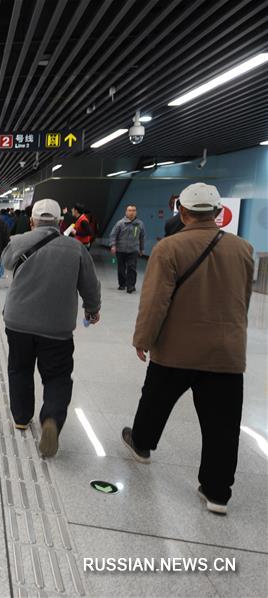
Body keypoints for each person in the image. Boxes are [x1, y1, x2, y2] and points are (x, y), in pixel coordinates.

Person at [121, 183, 253, 515]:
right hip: (225, 353)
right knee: (222, 425)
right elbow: (242, 302)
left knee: (154, 401)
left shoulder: (169, 247)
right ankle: (217, 492)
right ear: (218, 212)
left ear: (182, 212)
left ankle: (141, 444)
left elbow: (154, 302)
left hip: (176, 348)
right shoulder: (243, 248)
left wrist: (143, 339)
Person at [1, 199, 101, 457]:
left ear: (33, 221)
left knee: (19, 368)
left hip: (18, 321)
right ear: (60, 223)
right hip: (57, 326)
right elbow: (90, 284)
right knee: (57, 376)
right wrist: (92, 308)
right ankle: (52, 419)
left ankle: (22, 418)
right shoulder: (75, 248)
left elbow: (7, 264)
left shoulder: (18, 241)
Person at [109, 204, 145, 293]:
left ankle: (131, 286)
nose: (131, 212)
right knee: (121, 268)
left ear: (136, 212)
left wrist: (141, 248)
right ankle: (122, 284)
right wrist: (113, 245)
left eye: (133, 210)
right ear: (126, 212)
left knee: (132, 267)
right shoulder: (120, 223)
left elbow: (142, 237)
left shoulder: (139, 224)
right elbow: (113, 235)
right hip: (121, 250)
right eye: (129, 210)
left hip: (133, 250)